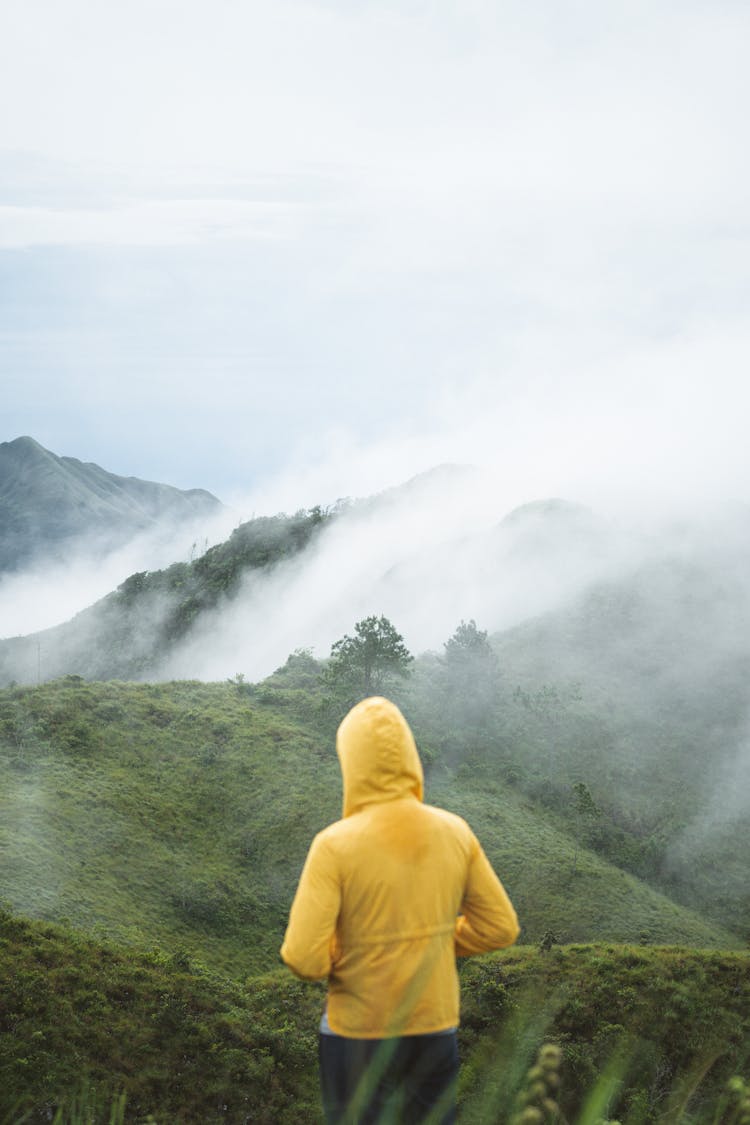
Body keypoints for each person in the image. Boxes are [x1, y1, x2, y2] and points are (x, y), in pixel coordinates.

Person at [281, 696, 520, 1124]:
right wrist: (432, 939)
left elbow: (303, 958)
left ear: (350, 763)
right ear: (410, 758)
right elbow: (500, 927)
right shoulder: (455, 832)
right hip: (434, 1025)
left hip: (357, 1032)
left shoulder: (334, 845)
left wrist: (352, 953)